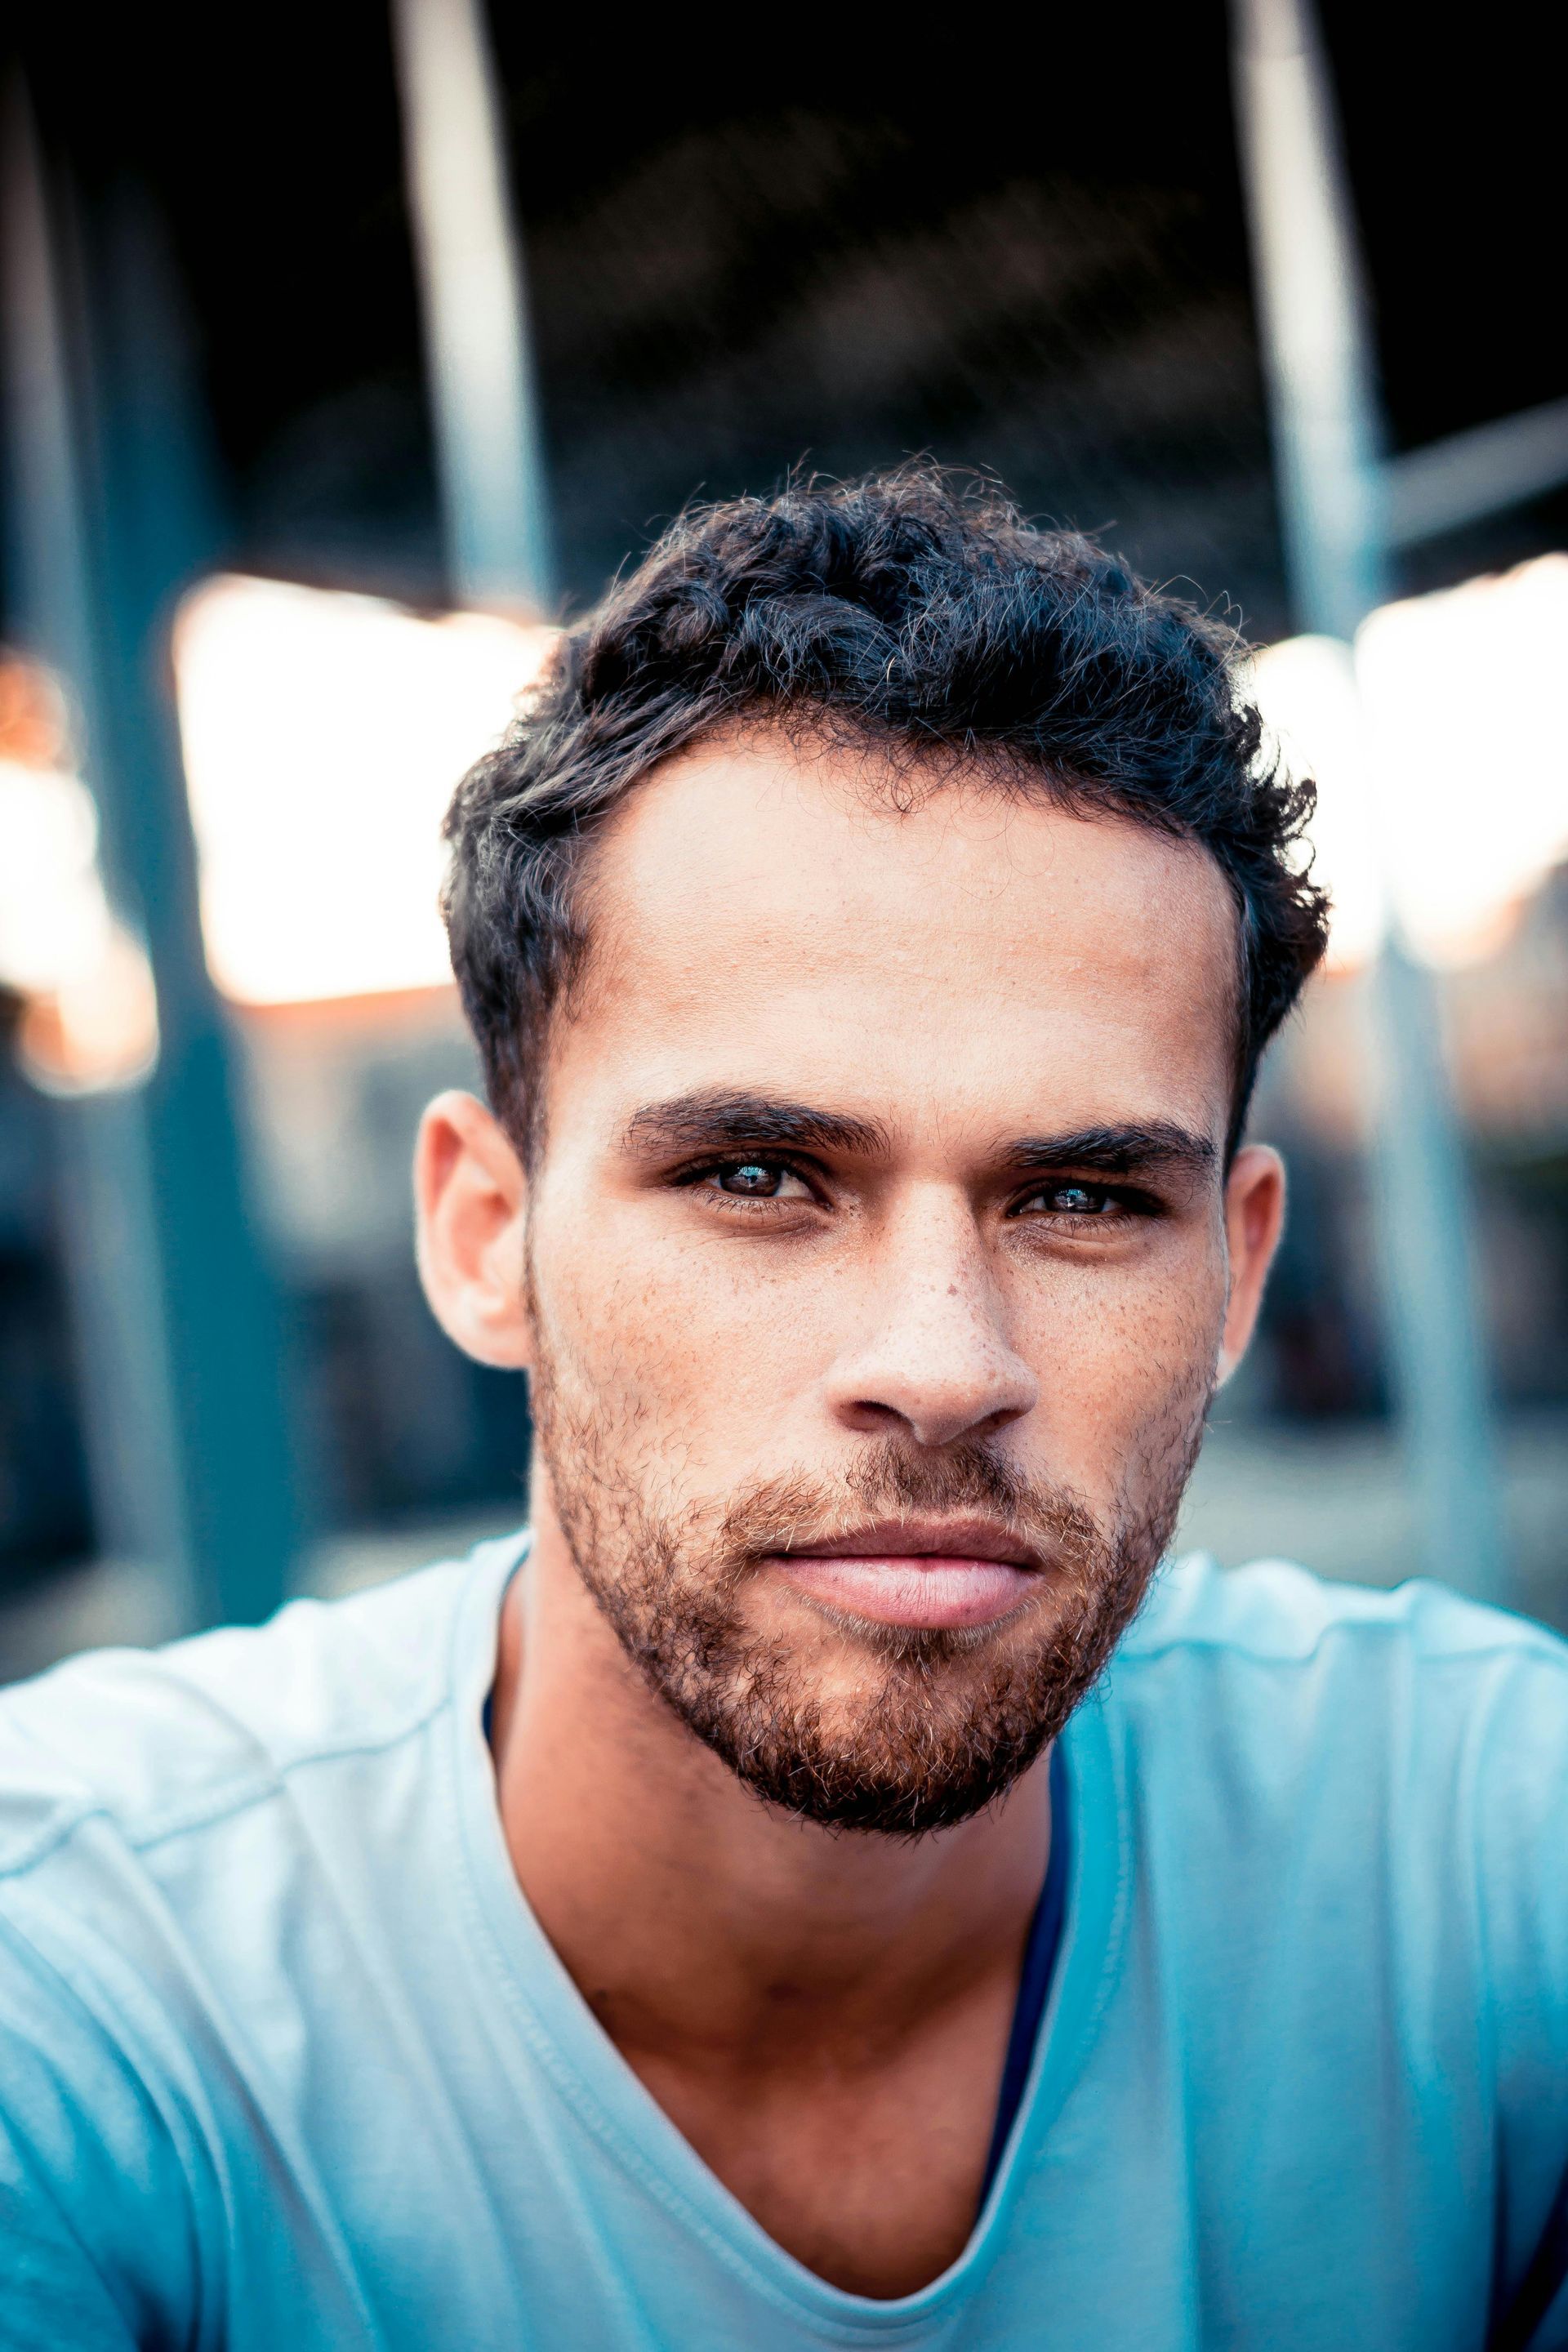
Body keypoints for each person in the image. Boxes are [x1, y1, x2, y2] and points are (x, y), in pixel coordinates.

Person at [2, 470, 1564, 2351]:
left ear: (1233, 1277)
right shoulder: (85, 1985)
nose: (944, 1361)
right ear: (484, 1238)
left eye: (1080, 1200)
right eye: (758, 1175)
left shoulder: (1483, 1855)